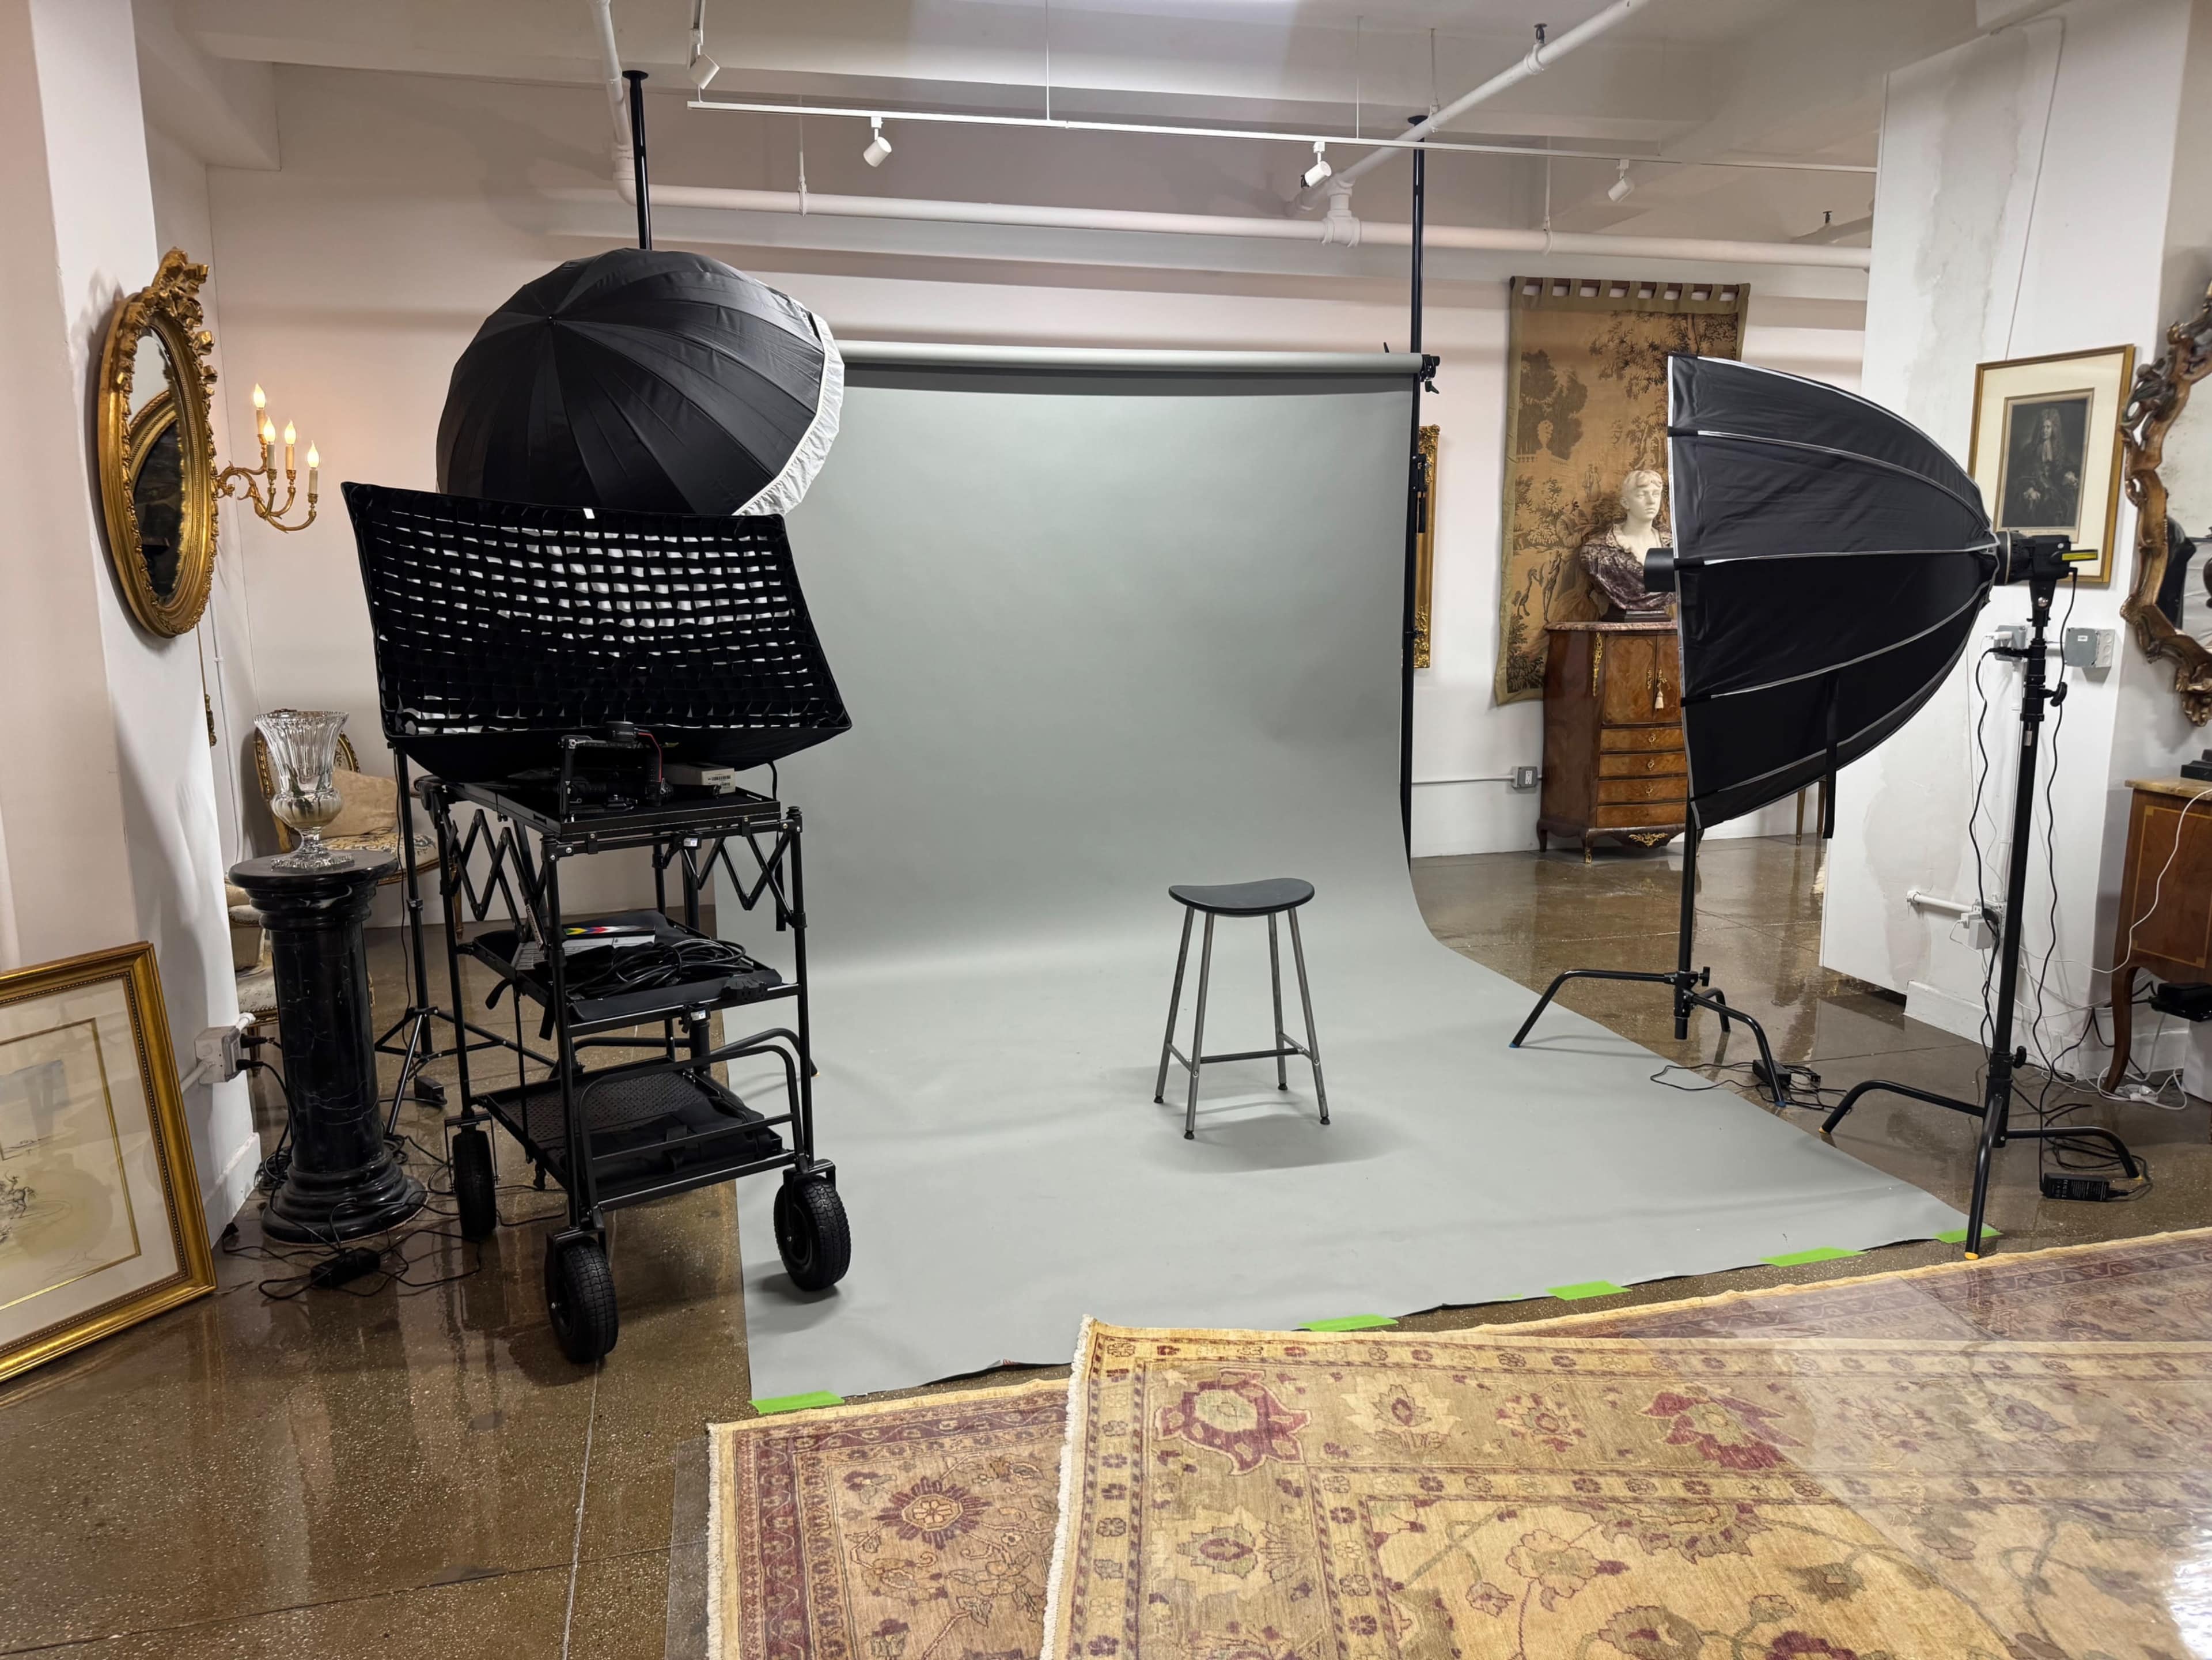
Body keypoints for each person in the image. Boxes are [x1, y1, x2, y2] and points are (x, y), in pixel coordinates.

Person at [1578, 469, 1672, 619]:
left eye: (1656, 494)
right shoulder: (1597, 551)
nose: (1651, 501)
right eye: (1642, 495)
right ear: (1625, 503)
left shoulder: (1675, 547)